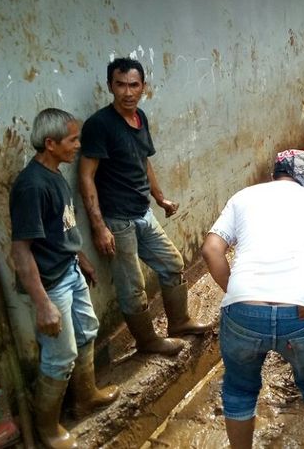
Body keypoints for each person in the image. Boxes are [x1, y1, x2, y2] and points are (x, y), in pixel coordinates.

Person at [201, 149, 304, 449]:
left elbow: (211, 249)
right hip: (301, 311)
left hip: (243, 309)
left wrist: (238, 291)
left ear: (274, 175)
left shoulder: (243, 197)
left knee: (239, 389)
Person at [79, 58, 210, 356]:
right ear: (110, 86)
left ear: (143, 87)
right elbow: (86, 176)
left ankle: (179, 322)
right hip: (118, 219)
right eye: (121, 84)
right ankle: (147, 342)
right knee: (132, 289)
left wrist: (160, 197)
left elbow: (143, 161)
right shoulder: (99, 125)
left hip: (142, 212)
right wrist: (99, 226)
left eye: (133, 85)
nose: (127, 92)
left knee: (172, 264)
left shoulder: (139, 117)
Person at [10, 108, 119, 448]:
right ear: (50, 143)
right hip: (50, 283)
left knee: (87, 330)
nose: (78, 146)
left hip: (68, 270)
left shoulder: (55, 174)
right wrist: (43, 305)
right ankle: (48, 428)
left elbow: (62, 229)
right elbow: (21, 252)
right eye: (73, 140)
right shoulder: (31, 186)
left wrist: (80, 258)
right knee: (59, 355)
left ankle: (85, 397)